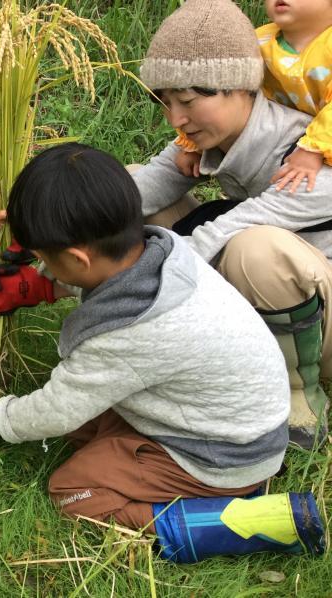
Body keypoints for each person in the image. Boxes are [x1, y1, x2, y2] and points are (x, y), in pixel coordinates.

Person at [0, 142, 325, 563]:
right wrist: (39, 240)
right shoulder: (164, 252)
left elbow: (56, 410)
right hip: (239, 422)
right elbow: (97, 274)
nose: (38, 263)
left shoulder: (129, 334)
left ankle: (230, 520)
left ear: (78, 257)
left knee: (74, 490)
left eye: (43, 258)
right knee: (86, 426)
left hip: (222, 456)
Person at [132, 0, 332, 449]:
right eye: (166, 103)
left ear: (240, 86)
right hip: (280, 298)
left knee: (254, 247)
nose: (176, 119)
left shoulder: (309, 154)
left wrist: (140, 275)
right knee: (129, 191)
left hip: (327, 318)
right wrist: (47, 230)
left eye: (187, 101)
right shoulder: (206, 135)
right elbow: (135, 192)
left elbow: (234, 227)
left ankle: (299, 397)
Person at [172, 0, 332, 194]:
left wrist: (313, 150)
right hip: (275, 146)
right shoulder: (257, 41)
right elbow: (222, 95)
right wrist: (193, 145)